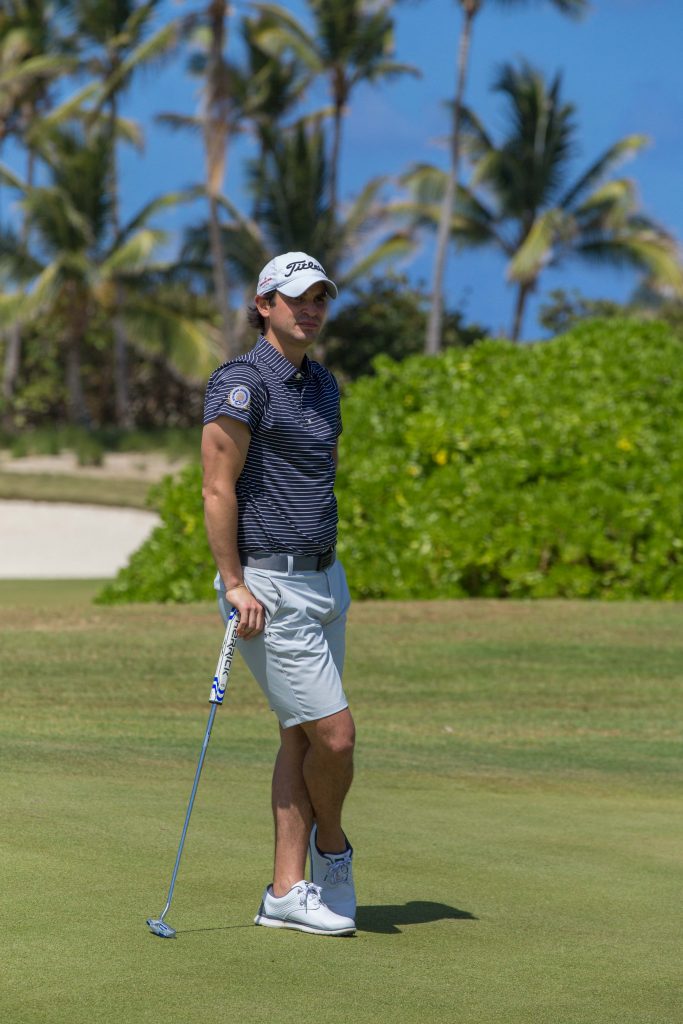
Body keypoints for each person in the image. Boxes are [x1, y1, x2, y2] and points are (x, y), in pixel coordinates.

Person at [201, 251, 357, 937]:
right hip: (266, 587)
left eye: (320, 298)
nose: (311, 309)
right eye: (297, 298)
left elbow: (320, 475)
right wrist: (235, 583)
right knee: (335, 736)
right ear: (264, 305)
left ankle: (286, 892)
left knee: (300, 735)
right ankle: (333, 850)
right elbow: (216, 488)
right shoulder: (241, 382)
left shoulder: (323, 385)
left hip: (325, 580)